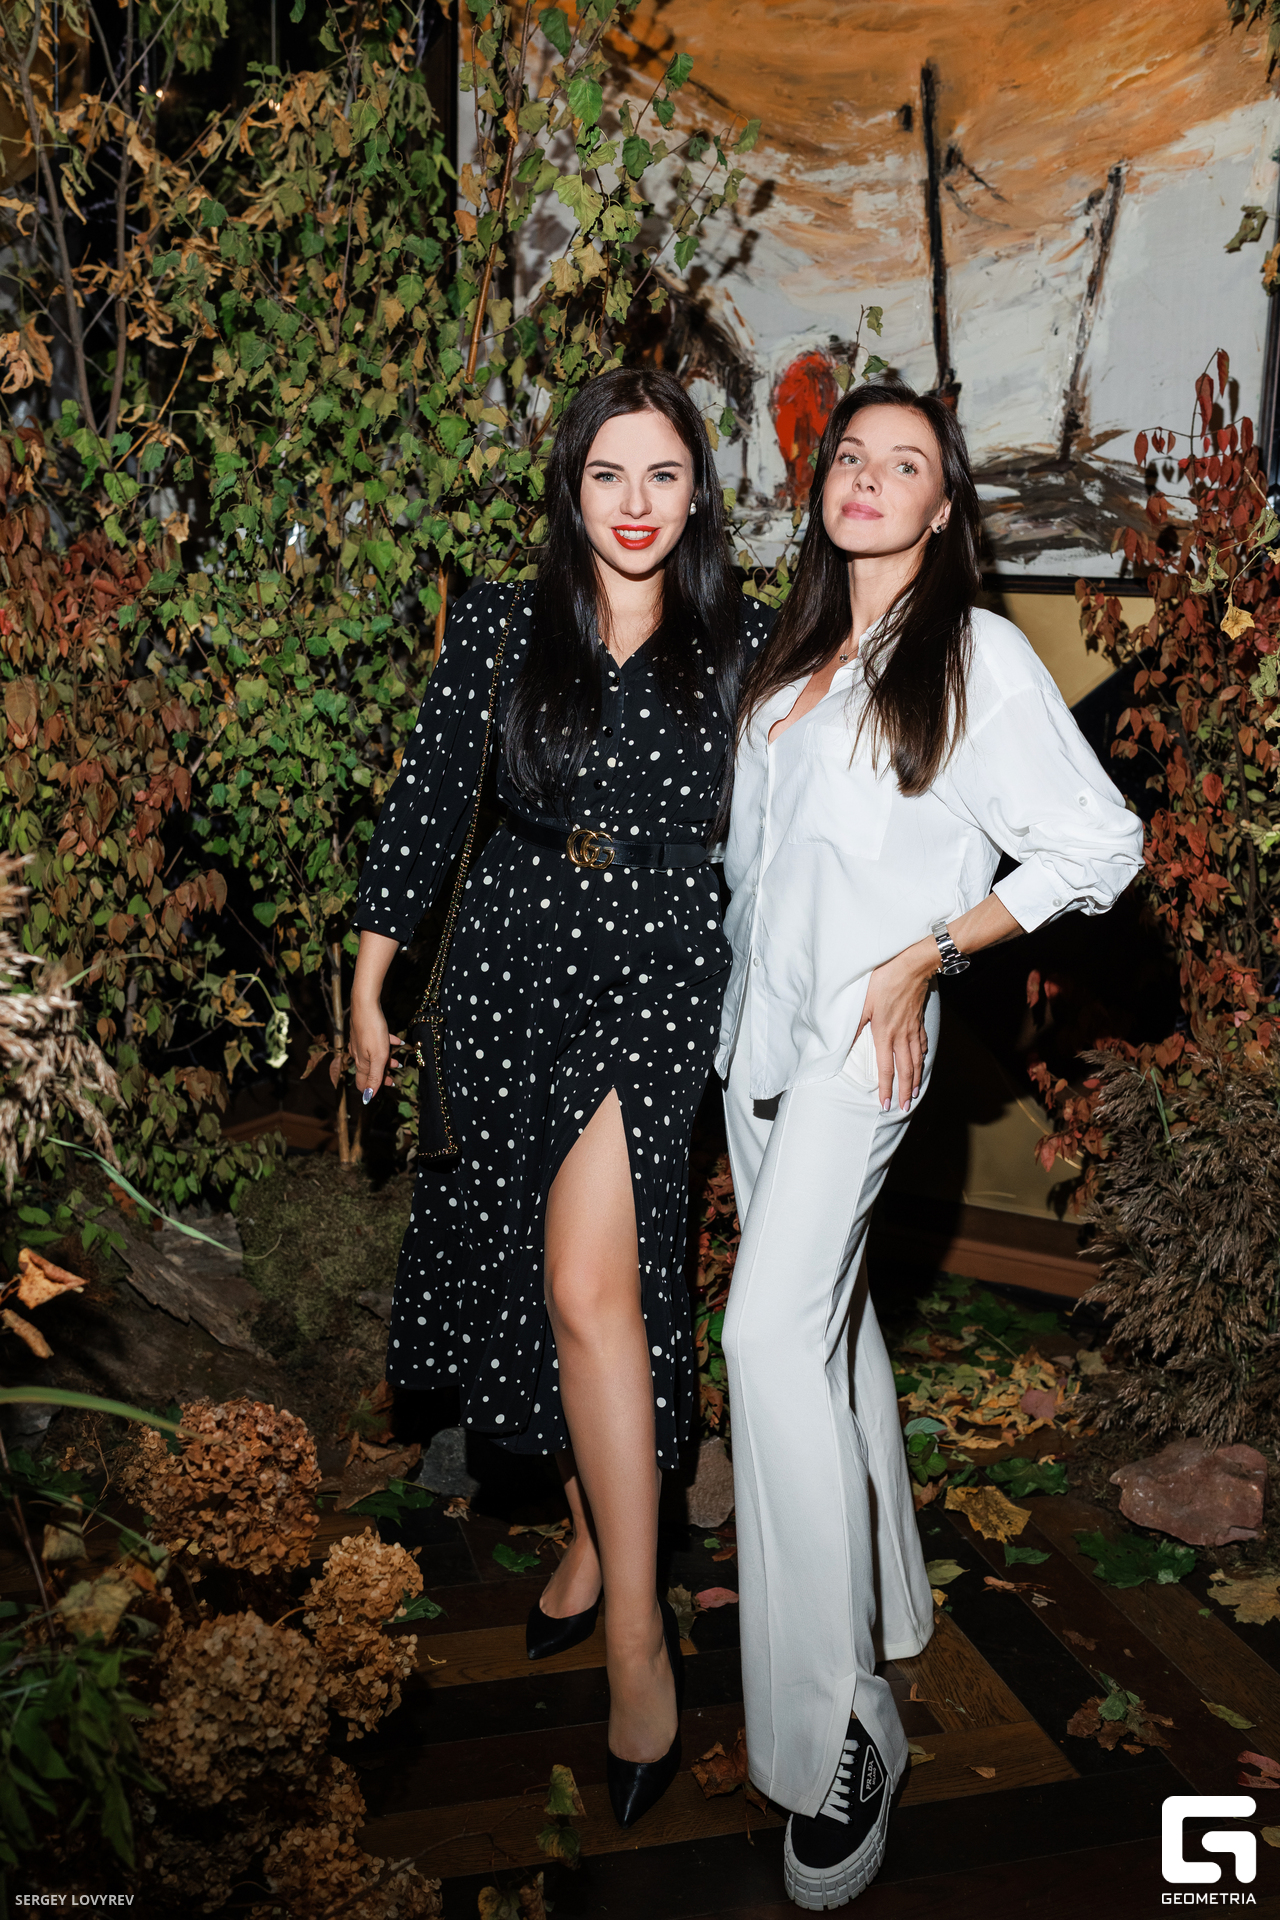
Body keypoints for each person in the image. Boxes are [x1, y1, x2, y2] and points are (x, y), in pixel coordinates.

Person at [716, 380, 1143, 1909]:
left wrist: (931, 956)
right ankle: (894, 1597)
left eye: (906, 464)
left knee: (763, 1340)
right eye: (852, 456)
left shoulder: (974, 657)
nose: (868, 477)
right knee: (827, 1337)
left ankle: (840, 1730)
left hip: (861, 1048)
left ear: (945, 508)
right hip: (759, 1045)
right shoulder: (795, 654)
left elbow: (1099, 846)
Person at [349, 367, 772, 1828]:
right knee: (536, 1284)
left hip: (654, 981)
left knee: (599, 1291)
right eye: (608, 474)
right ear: (570, 487)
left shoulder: (746, 643)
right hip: (509, 971)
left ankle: (638, 1639)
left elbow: (818, 815)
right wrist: (371, 979)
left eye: (664, 474)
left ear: (699, 491)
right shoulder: (499, 625)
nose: (636, 503)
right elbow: (428, 804)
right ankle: (593, 1538)